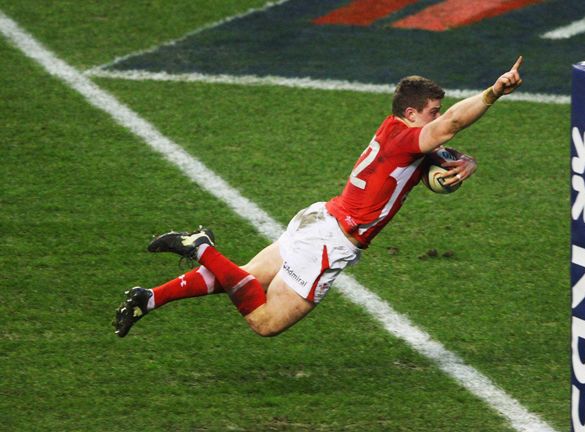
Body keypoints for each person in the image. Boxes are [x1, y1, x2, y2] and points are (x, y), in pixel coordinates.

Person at [113, 57, 524, 338]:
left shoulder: (397, 133)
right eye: (433, 110)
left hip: (320, 218)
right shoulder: (409, 139)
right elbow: (450, 127)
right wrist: (494, 92)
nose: (440, 114)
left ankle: (148, 299)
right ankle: (200, 246)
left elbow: (440, 150)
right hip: (333, 241)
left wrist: (466, 160)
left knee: (245, 280)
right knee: (264, 321)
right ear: (413, 113)